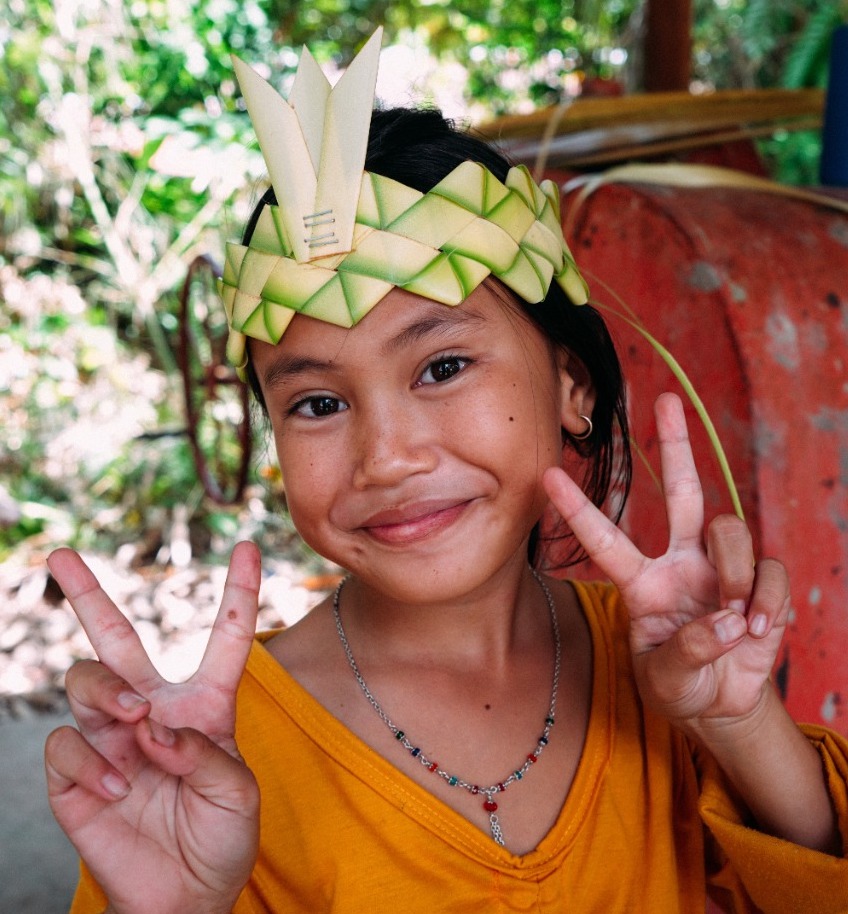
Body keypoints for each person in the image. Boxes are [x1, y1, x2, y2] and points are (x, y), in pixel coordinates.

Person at [44, 30, 848, 914]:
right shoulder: (213, 758)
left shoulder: (675, 669)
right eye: (317, 404)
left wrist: (740, 725)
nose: (387, 456)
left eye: (442, 367)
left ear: (572, 385)